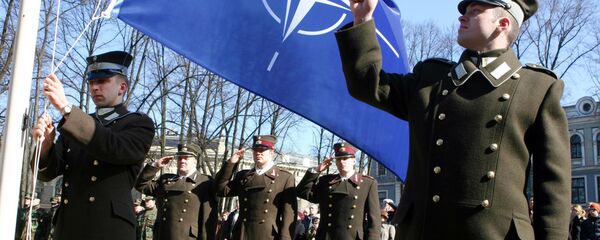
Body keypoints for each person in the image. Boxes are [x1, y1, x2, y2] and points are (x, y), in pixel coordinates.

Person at [336, 0, 571, 238]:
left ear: (503, 23)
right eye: (464, 11)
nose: (461, 17)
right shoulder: (431, 79)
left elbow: (553, 188)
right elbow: (367, 85)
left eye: (475, 11)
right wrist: (363, 20)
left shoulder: (537, 88)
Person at [32, 50, 155, 240]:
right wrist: (46, 147)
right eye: (91, 82)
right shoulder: (74, 124)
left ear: (122, 87)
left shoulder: (138, 123)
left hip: (109, 230)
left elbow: (114, 149)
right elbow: (47, 174)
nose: (95, 87)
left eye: (102, 81)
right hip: (69, 228)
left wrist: (66, 108)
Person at [215, 135, 297, 239]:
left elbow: (288, 216)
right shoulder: (244, 176)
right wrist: (231, 164)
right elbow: (220, 190)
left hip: (267, 236)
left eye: (262, 150)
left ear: (272, 152)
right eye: (255, 150)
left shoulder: (284, 178)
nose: (258, 153)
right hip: (241, 234)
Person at [296, 142, 381, 239]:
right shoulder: (326, 181)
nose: (342, 162)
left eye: (345, 159)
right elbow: (302, 191)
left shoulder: (367, 183)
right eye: (339, 159)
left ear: (353, 160)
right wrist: (316, 170)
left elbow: (374, 221)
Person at [136, 143, 218, 240]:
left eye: (186, 158)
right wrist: (155, 166)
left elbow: (208, 220)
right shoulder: (166, 180)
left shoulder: (204, 182)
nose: (182, 161)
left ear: (195, 161)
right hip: (162, 235)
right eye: (179, 158)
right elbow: (141, 185)